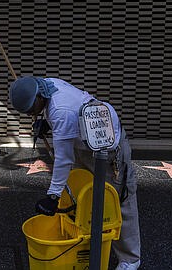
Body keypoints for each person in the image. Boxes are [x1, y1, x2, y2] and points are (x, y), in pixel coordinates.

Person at [9, 76, 141, 270]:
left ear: (38, 97)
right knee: (81, 196)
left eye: (31, 110)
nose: (31, 115)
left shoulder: (61, 111)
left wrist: (52, 196)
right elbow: (69, 108)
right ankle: (85, 243)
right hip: (83, 143)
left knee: (119, 200)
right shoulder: (48, 83)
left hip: (108, 147)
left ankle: (130, 259)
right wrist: (46, 123)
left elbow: (63, 159)